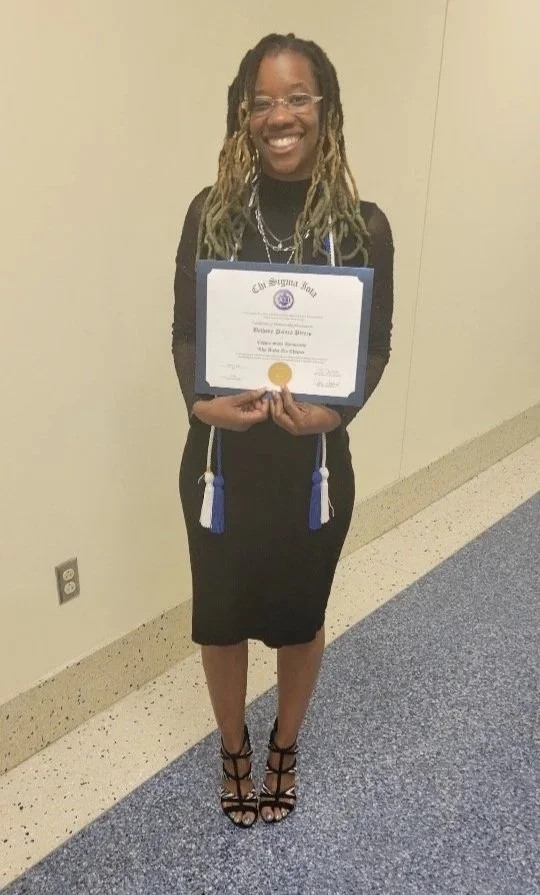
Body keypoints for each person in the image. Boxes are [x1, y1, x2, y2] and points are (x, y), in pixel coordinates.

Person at [172, 32, 394, 827]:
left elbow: (373, 348)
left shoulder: (363, 226)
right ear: (243, 114)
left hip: (313, 473)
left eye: (297, 97)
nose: (280, 116)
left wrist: (337, 411)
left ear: (324, 108)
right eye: (262, 101)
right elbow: (186, 336)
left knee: (299, 619)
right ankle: (233, 746)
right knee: (222, 618)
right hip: (222, 470)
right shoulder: (212, 214)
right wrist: (201, 404)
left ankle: (283, 745)